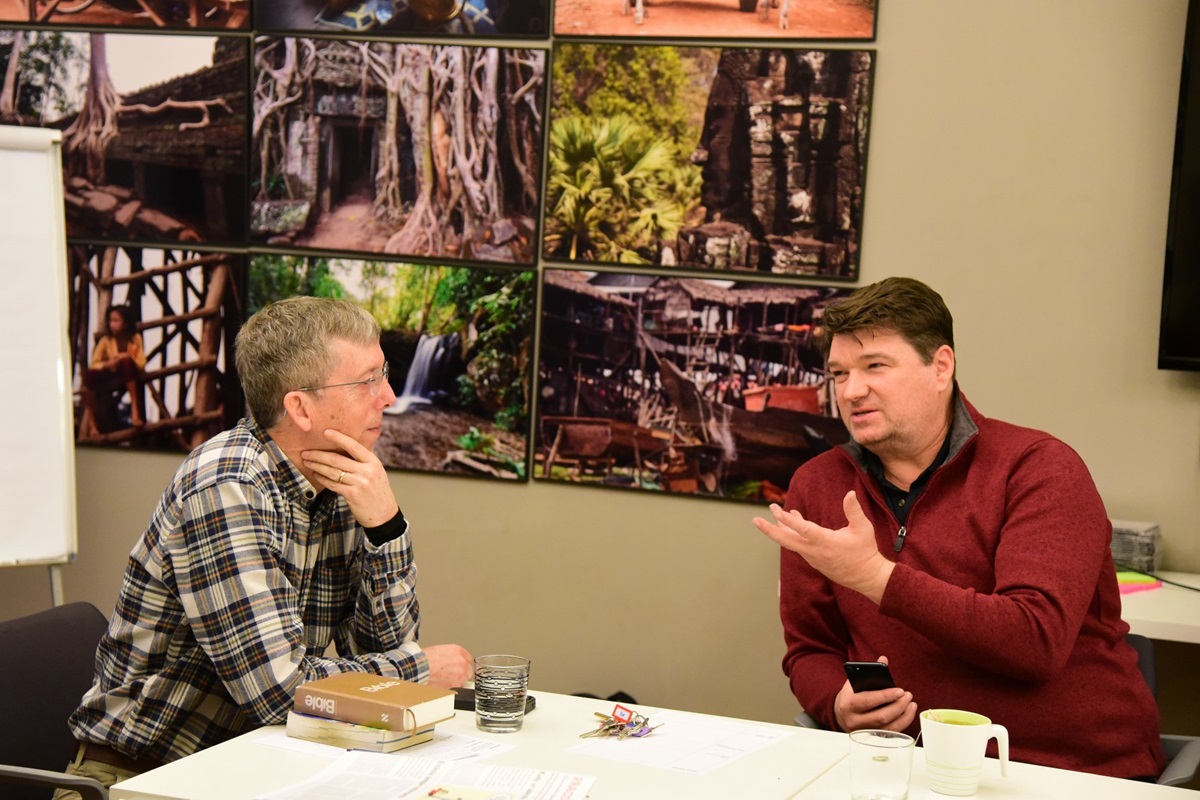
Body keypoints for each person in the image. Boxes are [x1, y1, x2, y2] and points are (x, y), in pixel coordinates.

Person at [752, 277, 1163, 780]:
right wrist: (836, 703)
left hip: (1067, 771)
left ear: (940, 366)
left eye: (875, 366)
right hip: (905, 768)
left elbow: (1035, 641)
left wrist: (876, 577)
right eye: (839, 374)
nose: (851, 391)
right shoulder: (816, 486)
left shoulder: (1039, 468)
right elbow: (811, 649)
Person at [60, 297, 474, 795]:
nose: (387, 395)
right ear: (300, 407)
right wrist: (421, 667)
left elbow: (380, 657)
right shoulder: (227, 486)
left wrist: (385, 526)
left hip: (245, 770)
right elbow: (279, 691)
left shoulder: (339, 480)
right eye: (367, 380)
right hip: (138, 779)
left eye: (384, 374)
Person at [80, 303, 146, 438]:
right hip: (110, 372)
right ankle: (92, 426)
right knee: (89, 376)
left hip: (127, 373)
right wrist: (107, 364)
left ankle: (135, 412)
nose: (112, 324)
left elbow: (141, 363)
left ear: (126, 323)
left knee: (127, 363)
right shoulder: (106, 340)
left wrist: (127, 356)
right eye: (110, 321)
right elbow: (94, 363)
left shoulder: (135, 339)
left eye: (116, 321)